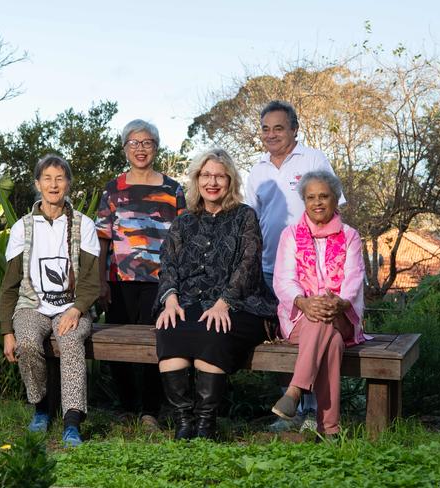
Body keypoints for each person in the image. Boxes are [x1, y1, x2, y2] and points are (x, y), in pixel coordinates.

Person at [155, 148, 276, 440]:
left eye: (220, 176)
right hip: (188, 300)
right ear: (197, 180)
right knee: (170, 329)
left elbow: (248, 265)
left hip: (241, 303)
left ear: (230, 181)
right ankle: (185, 423)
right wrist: (170, 300)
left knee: (212, 331)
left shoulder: (244, 217)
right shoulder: (184, 221)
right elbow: (168, 263)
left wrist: (225, 303)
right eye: (206, 175)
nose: (212, 182)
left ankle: (206, 425)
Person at [245, 100, 345, 431]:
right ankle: (293, 412)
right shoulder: (257, 169)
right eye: (265, 128)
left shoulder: (313, 158)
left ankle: (312, 409)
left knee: (316, 327)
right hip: (271, 267)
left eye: (279, 127)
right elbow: (249, 219)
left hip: (314, 269)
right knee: (289, 338)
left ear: (294, 129)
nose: (271, 134)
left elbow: (334, 207)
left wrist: (334, 262)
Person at [0, 154, 100, 448]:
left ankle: (72, 423)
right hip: (32, 306)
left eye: (59, 178)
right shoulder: (22, 227)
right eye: (47, 178)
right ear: (37, 184)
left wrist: (77, 310)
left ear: (68, 184)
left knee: (69, 341)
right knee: (27, 341)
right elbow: (9, 285)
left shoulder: (84, 225)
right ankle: (41, 409)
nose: (53, 185)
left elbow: (92, 280)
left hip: (72, 307)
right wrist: (7, 331)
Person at [95, 119, 186, 429]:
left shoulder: (173, 189)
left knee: (154, 343)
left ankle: (150, 410)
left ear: (156, 148)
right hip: (118, 280)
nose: (140, 149)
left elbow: (183, 239)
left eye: (147, 142)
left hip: (161, 282)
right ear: (124, 148)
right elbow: (102, 237)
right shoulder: (112, 188)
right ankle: (126, 406)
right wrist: (100, 282)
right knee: (115, 343)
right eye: (134, 143)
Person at [271, 170, 367, 438]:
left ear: (336, 199)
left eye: (324, 196)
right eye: (311, 197)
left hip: (342, 314)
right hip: (301, 316)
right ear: (304, 201)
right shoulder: (290, 235)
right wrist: (303, 302)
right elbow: (283, 280)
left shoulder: (350, 236)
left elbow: (354, 277)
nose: (317, 202)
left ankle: (295, 390)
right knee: (330, 340)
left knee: (323, 318)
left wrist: (339, 302)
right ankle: (330, 429)